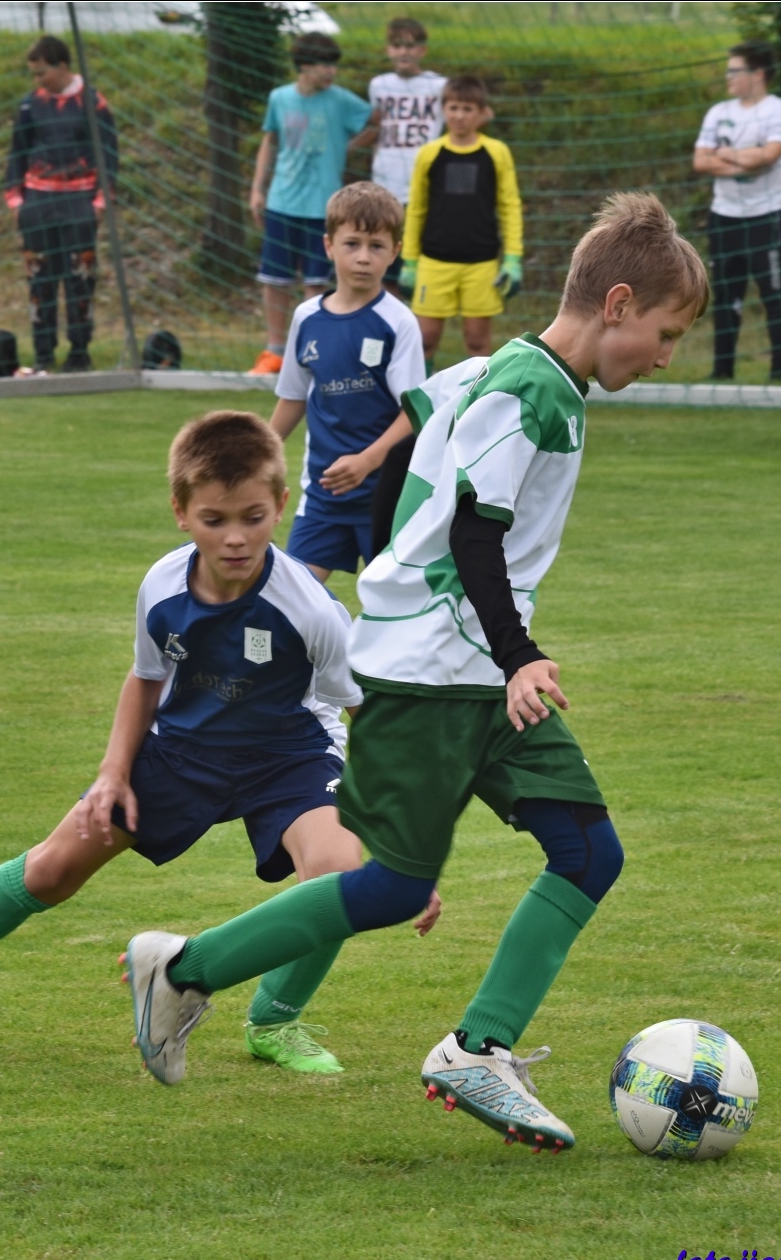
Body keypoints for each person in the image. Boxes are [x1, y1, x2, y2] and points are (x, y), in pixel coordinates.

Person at [120, 194, 708, 1158]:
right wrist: (517, 654)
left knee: (588, 853)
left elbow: (418, 425)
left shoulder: (499, 368)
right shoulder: (531, 393)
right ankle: (184, 970)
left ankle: (478, 1049)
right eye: (666, 333)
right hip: (439, 673)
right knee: (394, 885)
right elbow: (475, 532)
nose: (665, 357)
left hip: (475, 669)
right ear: (617, 303)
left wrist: (408, 555)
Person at [0, 411, 441, 1076]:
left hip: (289, 756)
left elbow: (364, 715)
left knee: (338, 873)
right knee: (51, 869)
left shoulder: (309, 610)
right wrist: (113, 774)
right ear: (181, 512)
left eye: (253, 518)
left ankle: (274, 1020)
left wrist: (398, 857)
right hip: (181, 751)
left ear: (281, 505)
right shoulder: (162, 586)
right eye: (214, 519)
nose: (235, 538)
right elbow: (145, 679)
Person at [270, 182, 424, 583]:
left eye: (376, 246)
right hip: (324, 495)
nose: (363, 257)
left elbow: (415, 413)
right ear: (329, 245)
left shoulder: (398, 323)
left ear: (395, 251)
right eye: (352, 244)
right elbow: (293, 397)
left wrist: (367, 460)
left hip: (385, 495)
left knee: (392, 608)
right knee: (292, 598)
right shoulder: (307, 318)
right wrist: (260, 450)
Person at [247, 34, 378, 377]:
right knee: (275, 280)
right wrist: (257, 189)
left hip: (323, 207)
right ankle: (274, 352)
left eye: (334, 64)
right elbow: (270, 140)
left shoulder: (341, 100)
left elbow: (376, 120)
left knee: (316, 282)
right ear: (304, 65)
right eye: (324, 64)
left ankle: (309, 352)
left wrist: (345, 147)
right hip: (281, 202)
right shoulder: (280, 98)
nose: (331, 71)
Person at [3, 34, 118, 374]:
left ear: (62, 66)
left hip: (79, 201)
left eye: (42, 73)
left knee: (80, 277)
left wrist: (101, 201)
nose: (38, 81)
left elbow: (109, 154)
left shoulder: (93, 103)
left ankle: (79, 351)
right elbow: (17, 152)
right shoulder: (30, 105)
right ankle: (43, 352)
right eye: (34, 75)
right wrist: (15, 200)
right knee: (40, 279)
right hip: (38, 202)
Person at [399, 76, 523, 366]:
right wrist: (409, 262)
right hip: (433, 261)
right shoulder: (429, 154)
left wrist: (513, 259)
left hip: (481, 263)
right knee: (424, 340)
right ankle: (420, 395)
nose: (459, 115)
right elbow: (416, 209)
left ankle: (479, 395)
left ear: (482, 113)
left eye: (468, 109)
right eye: (453, 108)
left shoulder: (497, 152)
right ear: (443, 110)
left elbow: (509, 206)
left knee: (477, 342)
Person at [693, 41, 781, 382]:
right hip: (724, 217)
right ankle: (722, 372)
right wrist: (746, 159)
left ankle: (779, 375)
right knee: (725, 296)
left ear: (758, 74)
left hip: (766, 217)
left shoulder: (779, 110)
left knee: (774, 294)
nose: (729, 77)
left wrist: (728, 155)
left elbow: (770, 156)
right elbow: (700, 161)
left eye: (735, 71)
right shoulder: (718, 112)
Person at [367, 17, 448, 294]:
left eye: (410, 46)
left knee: (419, 261)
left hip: (424, 186)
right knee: (386, 259)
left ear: (422, 50)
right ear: (388, 49)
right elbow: (376, 127)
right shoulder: (379, 85)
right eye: (397, 45)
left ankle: (419, 316)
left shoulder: (438, 85)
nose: (403, 51)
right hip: (384, 184)